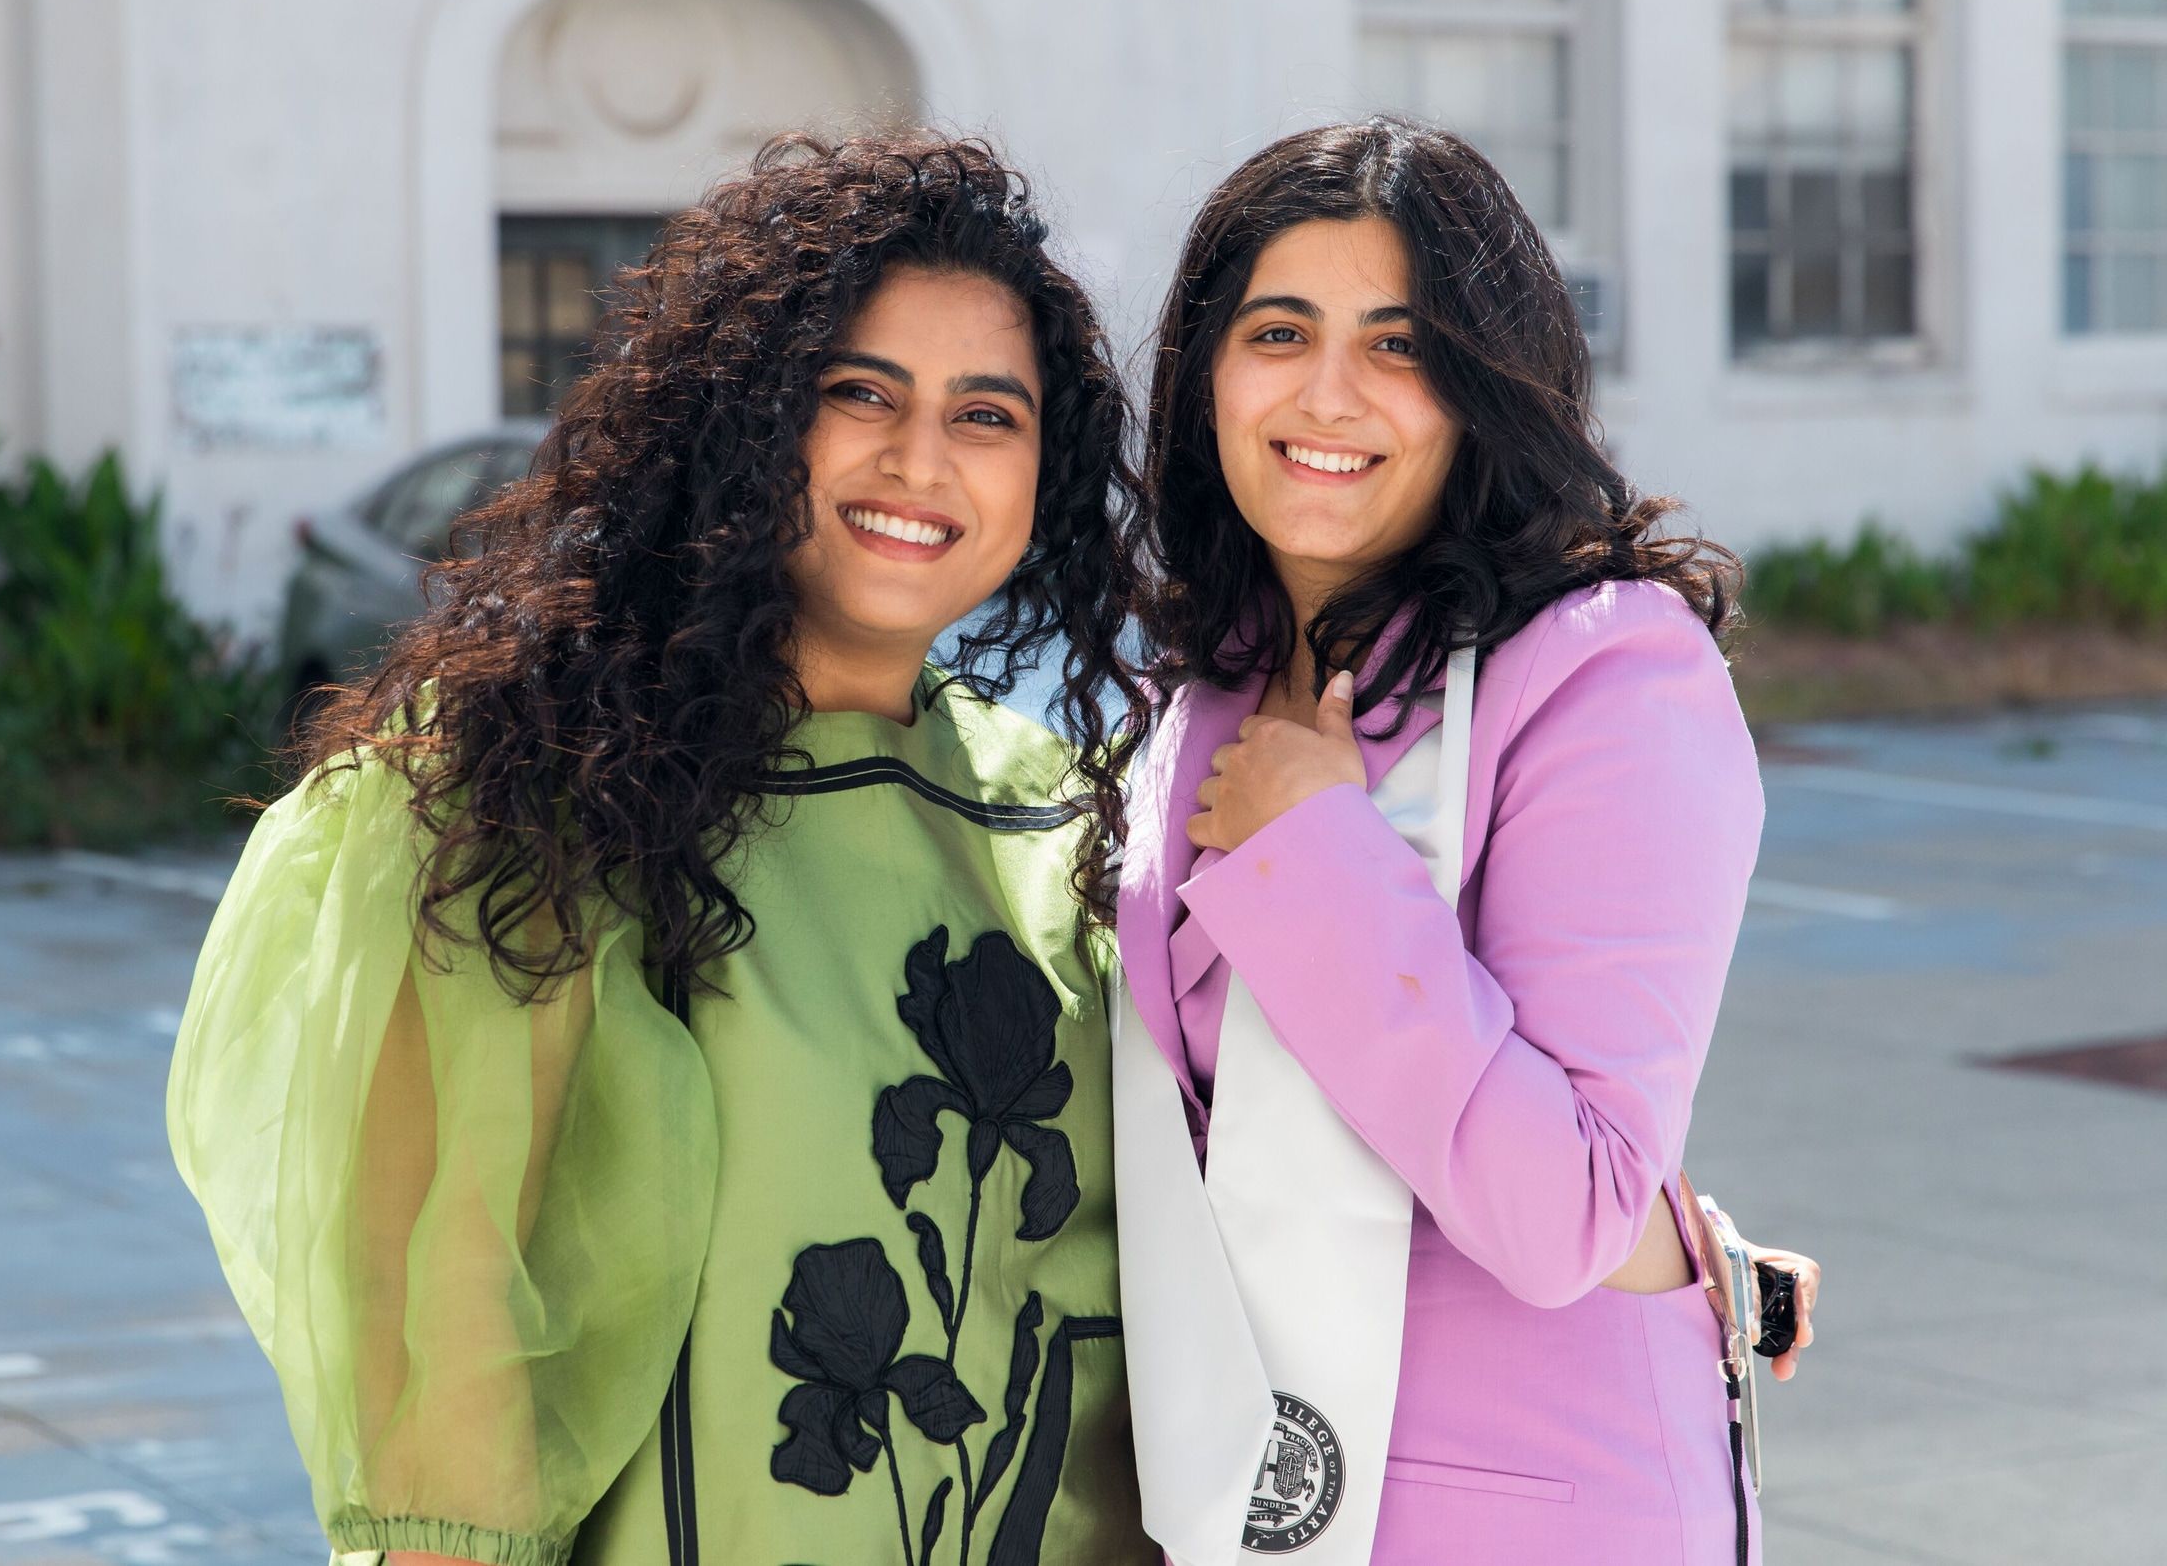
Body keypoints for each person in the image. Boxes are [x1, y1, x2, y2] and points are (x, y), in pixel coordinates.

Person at [167, 134, 1158, 1566]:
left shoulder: (1073, 825)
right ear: (746, 424)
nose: (918, 459)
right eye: (857, 393)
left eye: (986, 415)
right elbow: (454, 1373)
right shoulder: (535, 801)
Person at [1111, 117, 1817, 1566]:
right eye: (1279, 331)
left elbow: (1568, 1206)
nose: (1328, 392)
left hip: (1506, 1509)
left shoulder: (1608, 672)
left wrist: (1313, 851)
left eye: (1398, 345)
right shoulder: (1197, 685)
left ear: (1486, 386)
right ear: (1205, 378)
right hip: (1216, 1481)